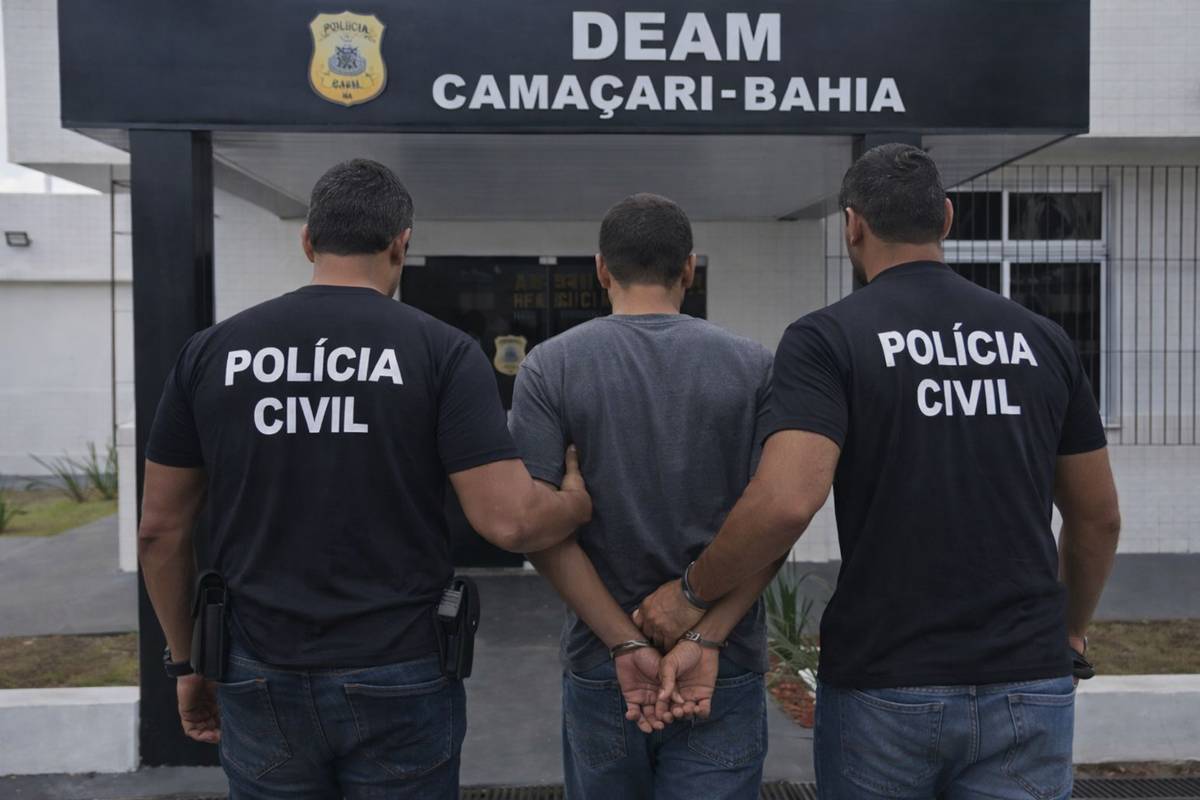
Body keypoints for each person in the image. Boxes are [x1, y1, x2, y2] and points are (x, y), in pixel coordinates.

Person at [637, 144, 1121, 800]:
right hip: (1026, 680)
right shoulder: (1042, 339)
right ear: (946, 218)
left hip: (886, 683)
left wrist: (691, 594)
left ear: (852, 225)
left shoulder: (829, 339)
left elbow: (785, 501)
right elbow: (1098, 517)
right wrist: (1068, 631)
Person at [137, 158, 591, 799]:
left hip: (258, 667)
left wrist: (186, 661)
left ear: (308, 242)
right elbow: (511, 522)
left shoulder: (211, 351)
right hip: (399, 668)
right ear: (401, 243)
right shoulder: (441, 350)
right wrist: (575, 504)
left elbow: (159, 531)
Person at [510, 193, 780, 800]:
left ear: (601, 269)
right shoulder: (755, 366)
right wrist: (707, 635)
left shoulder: (550, 367)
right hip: (723, 661)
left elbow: (537, 528)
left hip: (603, 660)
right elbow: (775, 522)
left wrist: (624, 641)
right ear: (689, 268)